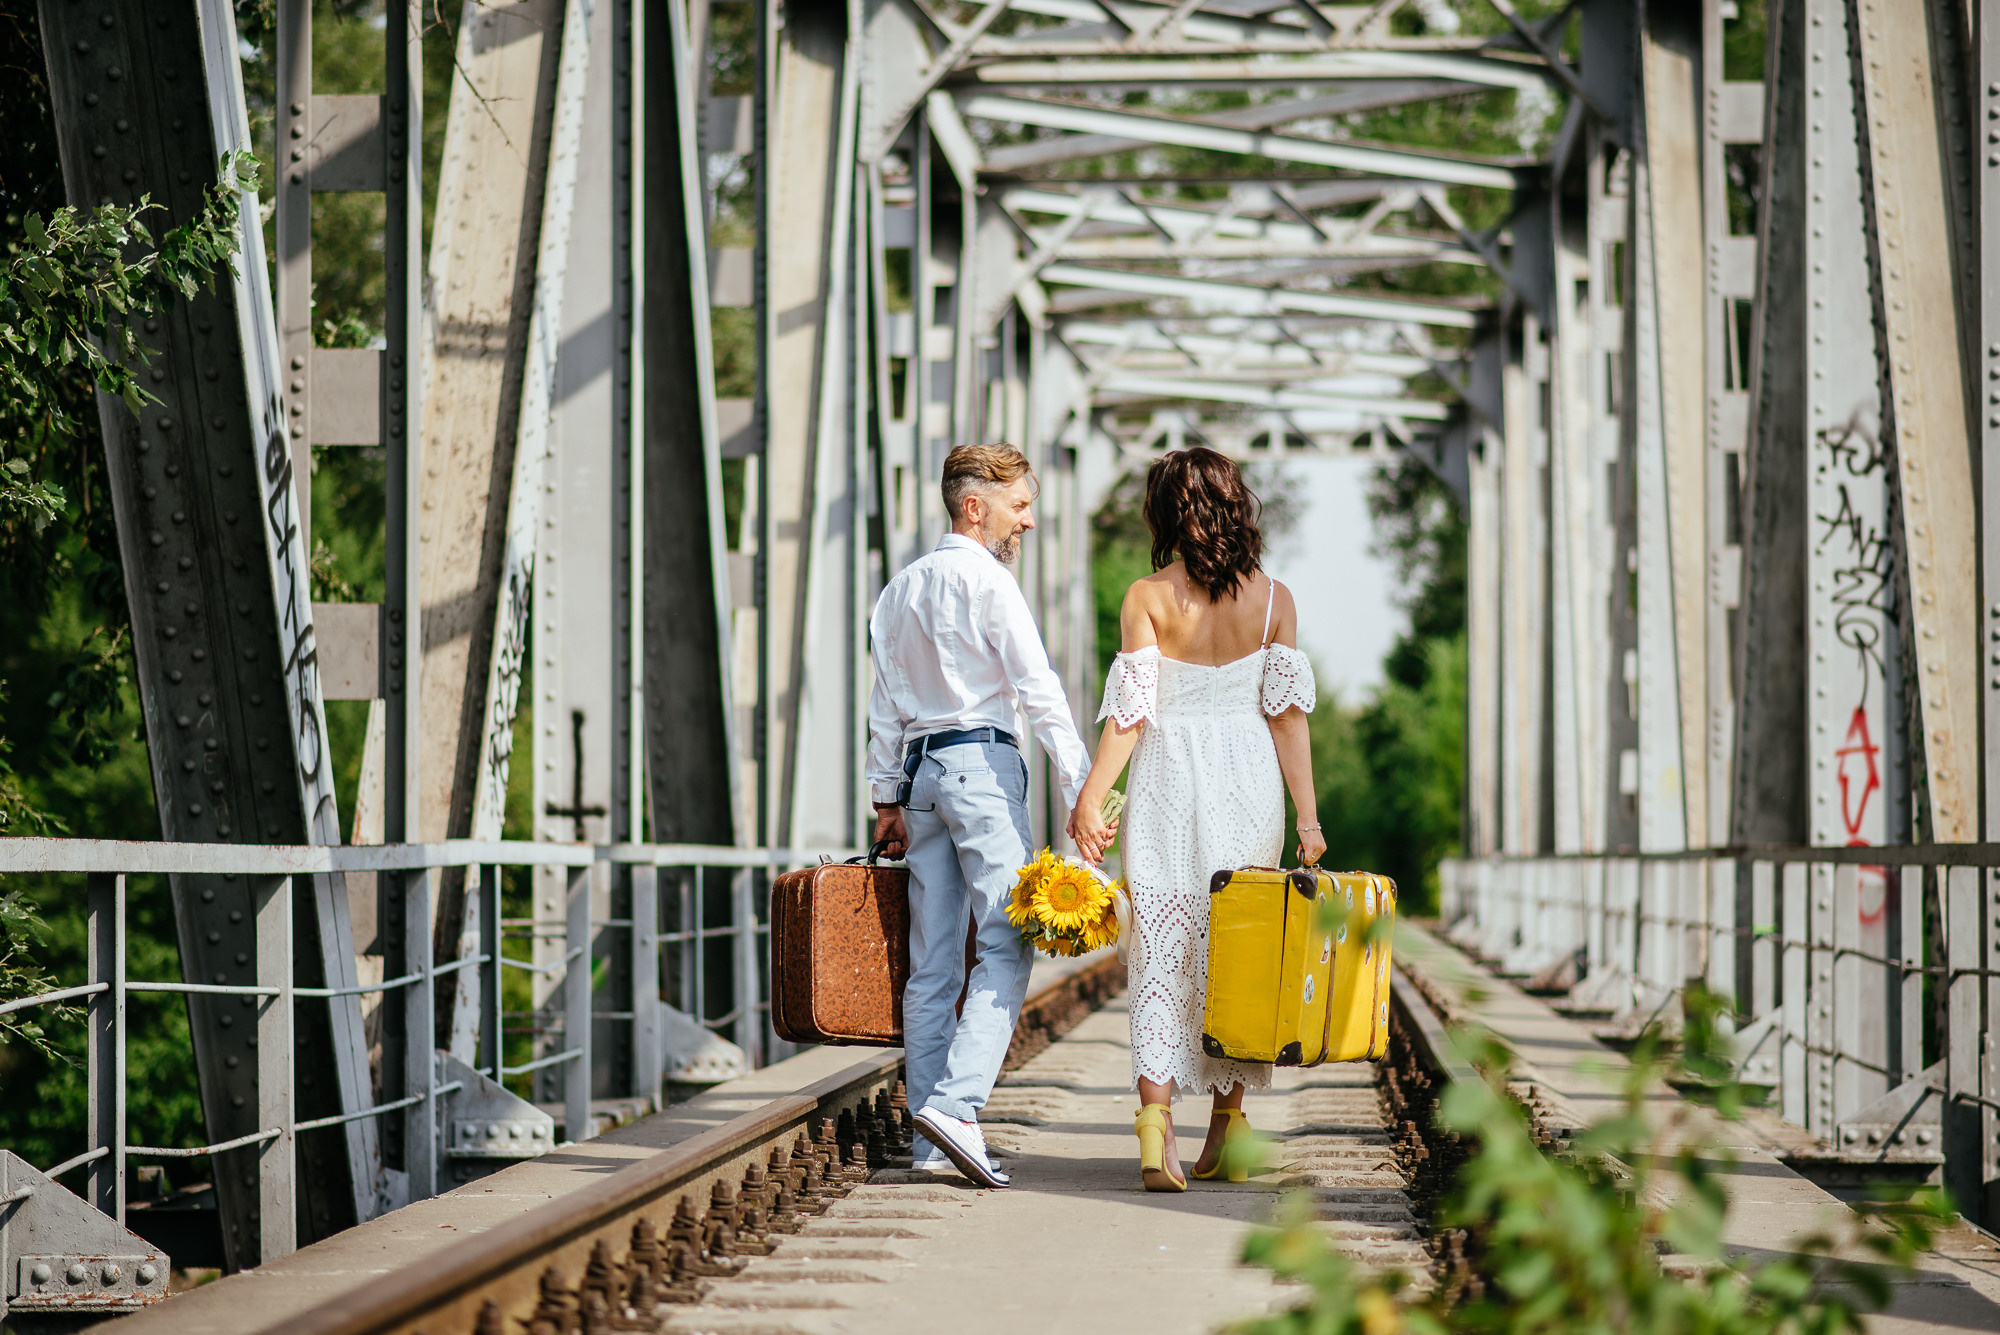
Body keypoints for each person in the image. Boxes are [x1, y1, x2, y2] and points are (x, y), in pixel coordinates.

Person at [1069, 447, 1323, 1192]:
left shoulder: (1147, 597)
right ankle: (1227, 1133)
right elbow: (1288, 721)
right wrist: (1308, 818)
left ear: (1167, 515)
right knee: (1237, 948)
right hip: (1248, 780)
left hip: (1167, 782)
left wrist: (1091, 799)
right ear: (1235, 505)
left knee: (1161, 949)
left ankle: (1157, 1133)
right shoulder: (1275, 601)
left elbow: (1129, 717)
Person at [867, 443, 1092, 1189]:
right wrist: (1082, 787)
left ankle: (931, 1143)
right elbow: (1038, 687)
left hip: (921, 778)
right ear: (975, 506)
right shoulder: (989, 583)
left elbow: (884, 707)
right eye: (1018, 506)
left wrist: (886, 800)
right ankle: (958, 1106)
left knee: (933, 963)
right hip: (981, 770)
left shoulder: (898, 590)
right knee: (1007, 941)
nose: (1026, 521)